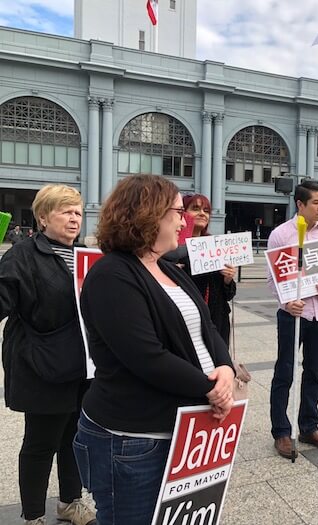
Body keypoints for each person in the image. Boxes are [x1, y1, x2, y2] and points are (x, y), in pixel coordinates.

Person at [73, 174, 235, 524]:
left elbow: (206, 326)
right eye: (177, 211)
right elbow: (146, 357)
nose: (184, 220)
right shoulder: (111, 275)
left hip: (182, 430)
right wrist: (211, 389)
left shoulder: (167, 269)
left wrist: (226, 367)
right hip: (131, 439)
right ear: (148, 214)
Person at [0, 184, 95, 525]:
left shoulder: (85, 255)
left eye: (78, 212)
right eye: (65, 211)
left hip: (81, 366)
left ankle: (70, 502)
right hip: (41, 363)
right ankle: (34, 515)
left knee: (75, 438)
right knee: (40, 443)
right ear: (42, 217)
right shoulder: (23, 255)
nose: (74, 218)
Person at [267, 180, 318, 459]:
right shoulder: (281, 235)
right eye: (316, 203)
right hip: (292, 316)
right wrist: (286, 301)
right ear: (300, 204)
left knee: (314, 372)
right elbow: (273, 279)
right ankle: (281, 431)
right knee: (284, 373)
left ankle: (309, 426)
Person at [181, 193, 237, 342]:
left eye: (206, 210)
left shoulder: (216, 246)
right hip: (186, 321)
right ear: (182, 212)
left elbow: (228, 295)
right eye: (195, 208)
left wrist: (228, 279)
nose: (202, 213)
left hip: (216, 321)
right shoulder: (172, 247)